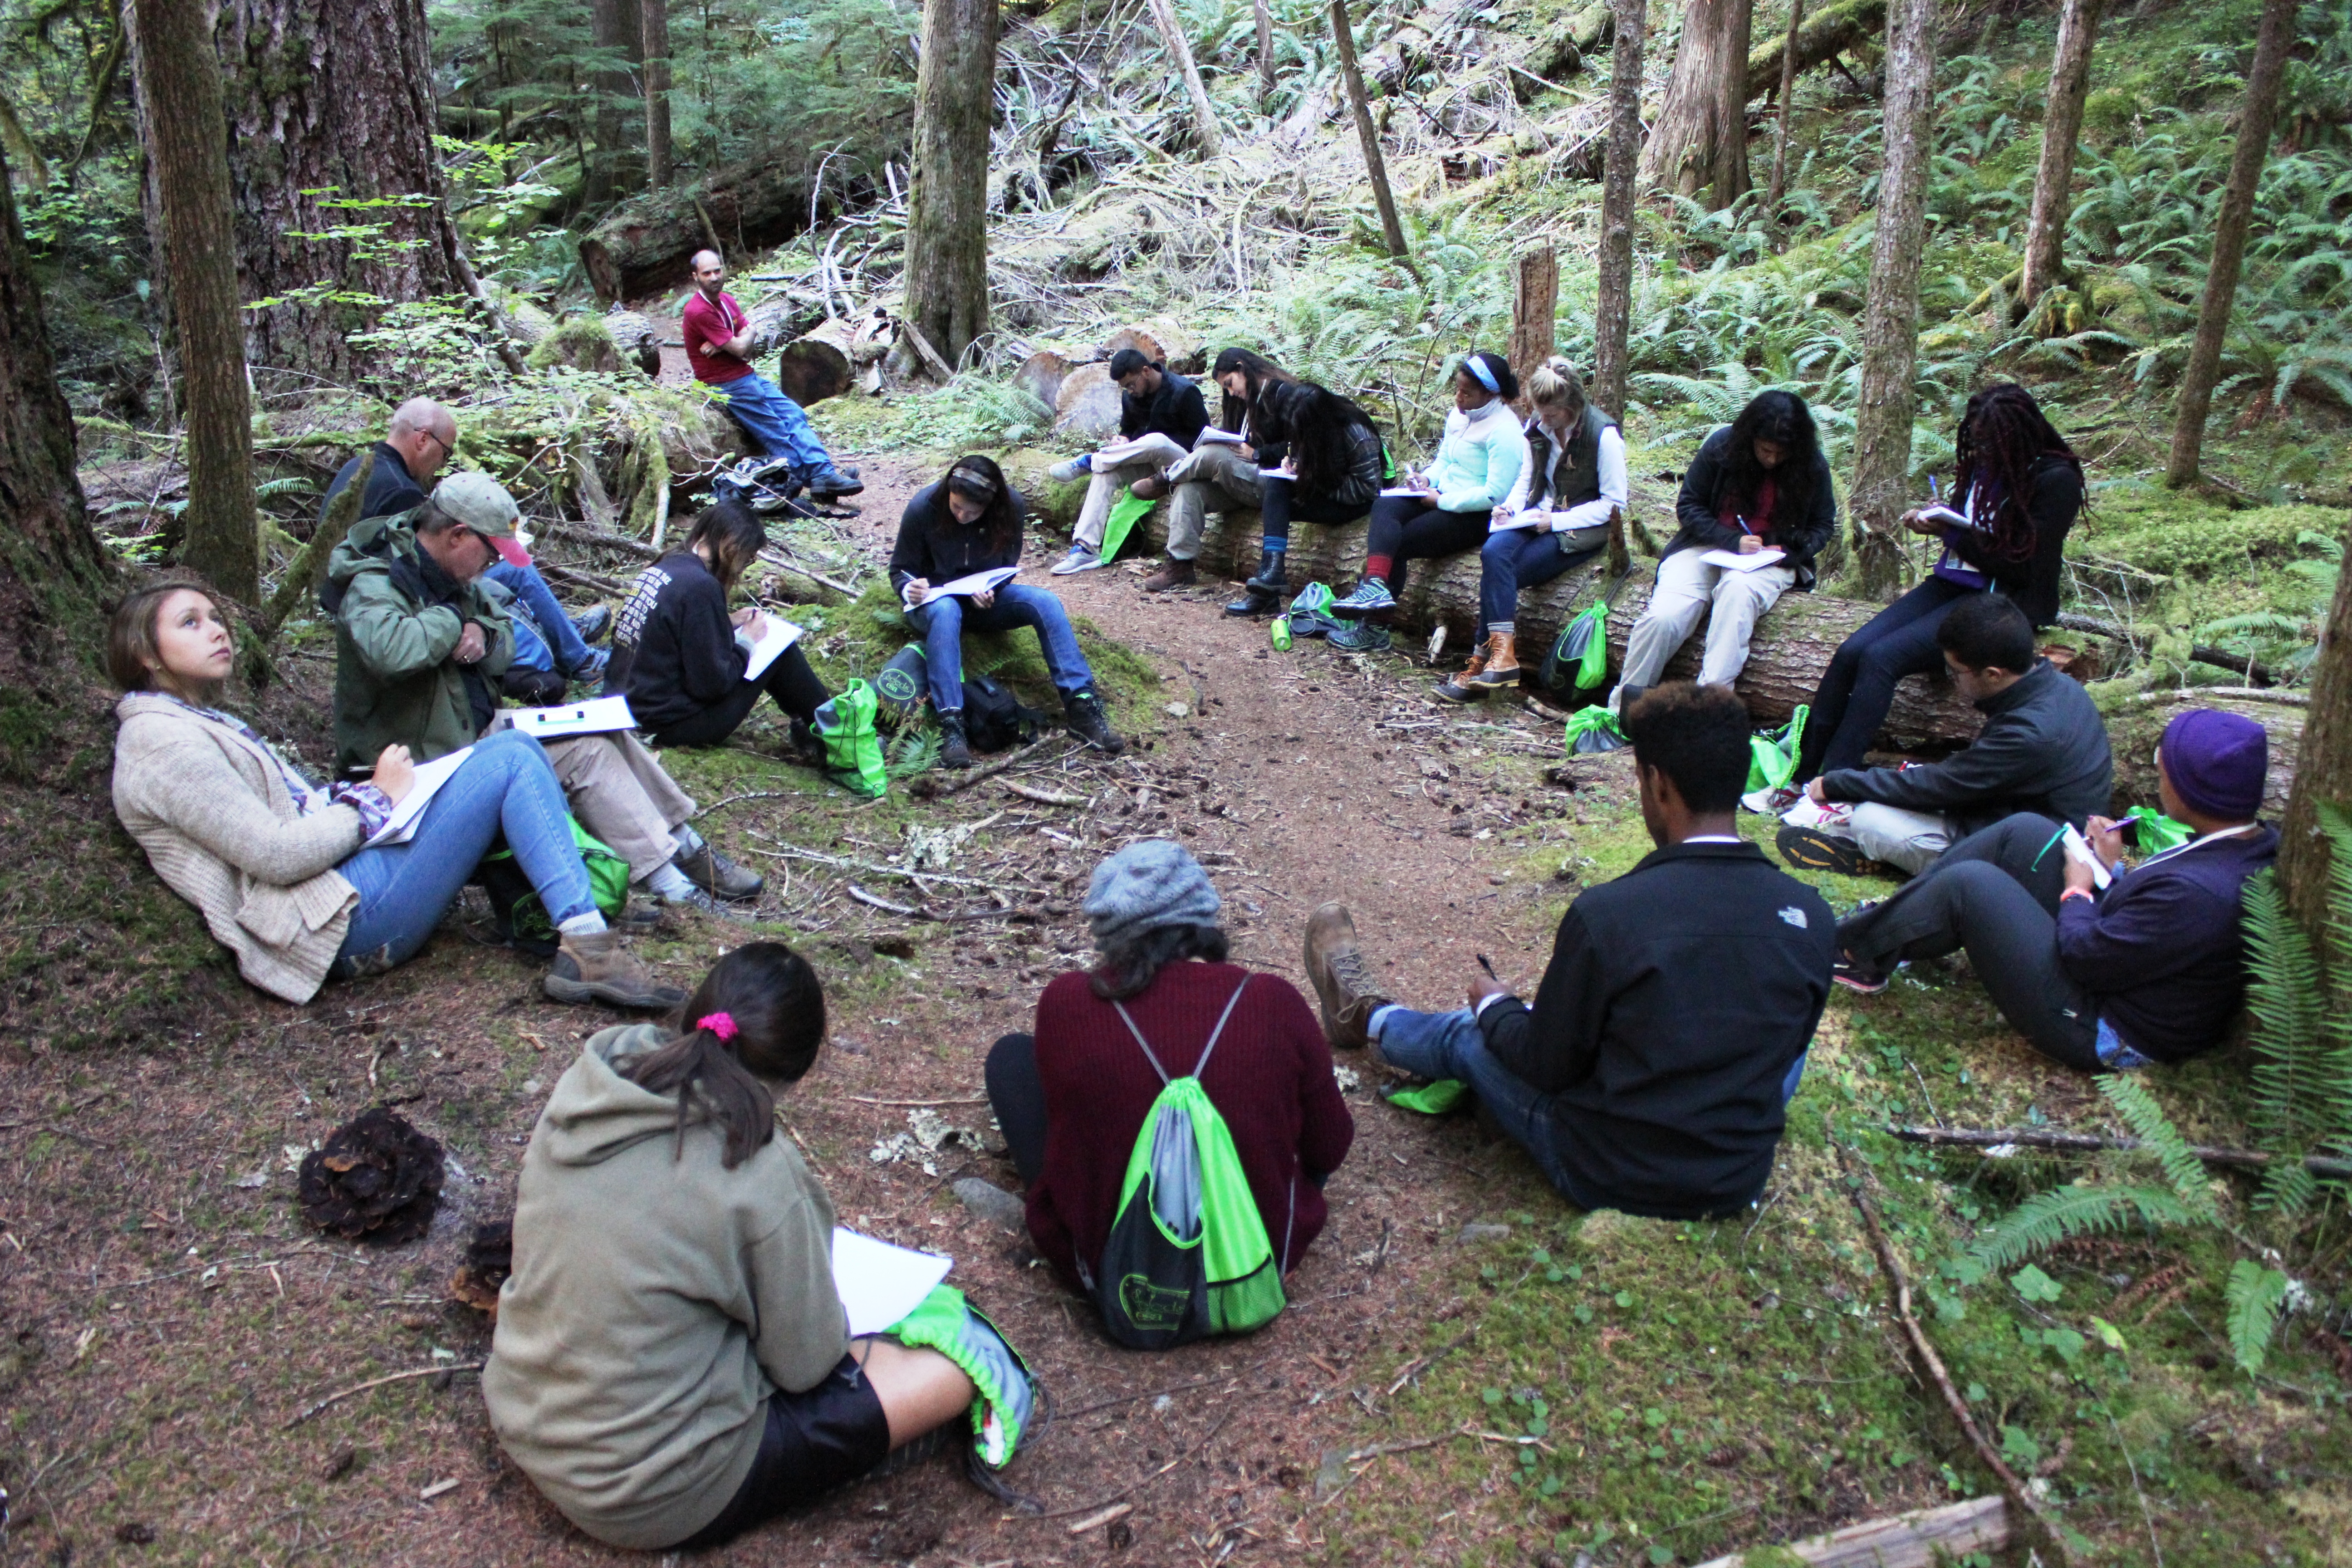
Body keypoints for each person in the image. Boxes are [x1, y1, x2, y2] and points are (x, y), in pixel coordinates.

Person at [486, 943, 1037, 1550]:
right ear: (800, 1066)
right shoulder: (755, 1172)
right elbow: (807, 1366)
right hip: (644, 1493)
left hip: (524, 1412)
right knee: (961, 1363)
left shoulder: (592, 1086)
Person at [1305, 683, 1834, 1218]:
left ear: (1657, 782)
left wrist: (1495, 1005)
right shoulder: (1811, 916)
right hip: (1732, 1181)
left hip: (1606, 1171)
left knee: (1474, 1034)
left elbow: (1546, 1067)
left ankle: (1366, 1016)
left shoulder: (1610, 915)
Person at [108, 583, 676, 1009]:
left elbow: (288, 813)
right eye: (190, 623)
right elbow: (275, 855)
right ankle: (587, 945)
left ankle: (576, 931)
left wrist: (369, 796)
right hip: (326, 924)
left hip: (336, 890)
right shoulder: (160, 742)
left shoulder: (191, 721)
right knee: (511, 761)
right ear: (147, 655)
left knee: (510, 752)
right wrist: (375, 800)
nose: (217, 630)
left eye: (214, 617)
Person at [326, 472, 760, 914]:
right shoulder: (375, 583)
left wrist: (483, 634)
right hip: (413, 765)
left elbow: (502, 640)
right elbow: (393, 652)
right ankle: (671, 884)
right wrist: (456, 622)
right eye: (491, 553)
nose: (492, 565)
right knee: (584, 755)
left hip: (468, 734)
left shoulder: (451, 576)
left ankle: (684, 849)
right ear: (458, 536)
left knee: (600, 737)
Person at [982, 841, 1354, 1311]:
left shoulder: (1066, 1004)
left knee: (1013, 1060)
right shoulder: (1272, 1001)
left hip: (1112, 1277)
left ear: (1108, 931)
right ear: (1204, 919)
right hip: (1257, 1262)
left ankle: (1100, 1244)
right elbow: (1331, 1144)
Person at [1832, 710, 2276, 1072]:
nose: (2158, 772)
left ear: (2189, 790)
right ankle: (1889, 927)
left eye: (2166, 768)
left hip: (2101, 1024)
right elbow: (2153, 931)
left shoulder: (2200, 892)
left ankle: (1848, 950)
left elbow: (2088, 960)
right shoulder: (2246, 842)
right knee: (2026, 833)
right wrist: (2108, 867)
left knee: (1973, 886)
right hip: (2123, 967)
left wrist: (2079, 890)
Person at [1791, 383, 2085, 789]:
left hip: (2000, 602)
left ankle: (1832, 782)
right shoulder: (1986, 466)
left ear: (2019, 438)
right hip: (1953, 582)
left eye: (1991, 446)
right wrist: (1937, 520)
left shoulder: (2056, 481)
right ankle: (1801, 772)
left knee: (1881, 659)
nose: (1983, 454)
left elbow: (2022, 567)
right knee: (1851, 652)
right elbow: (1963, 519)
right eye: (1977, 444)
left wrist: (1953, 535)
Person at [1776, 594, 2113, 877]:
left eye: (1955, 671)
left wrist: (1840, 784)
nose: (1953, 679)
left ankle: (1900, 862)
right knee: (1885, 799)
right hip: (2005, 814)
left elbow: (1944, 787)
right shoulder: (2057, 688)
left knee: (1870, 821)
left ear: (1993, 674)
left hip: (2031, 861)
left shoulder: (2031, 734)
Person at [322, 397, 612, 691]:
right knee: (517, 572)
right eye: (445, 454)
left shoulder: (360, 466)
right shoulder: (400, 492)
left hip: (343, 594)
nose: (441, 464)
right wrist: (465, 618)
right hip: (380, 604)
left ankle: (563, 633)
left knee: (507, 577)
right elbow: (420, 576)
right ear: (423, 439)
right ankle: (579, 657)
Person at [889, 456, 1126, 768]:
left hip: (981, 602)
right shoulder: (924, 507)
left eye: (971, 512)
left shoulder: (1011, 506)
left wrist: (990, 592)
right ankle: (952, 723)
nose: (961, 516)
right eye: (956, 507)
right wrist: (910, 588)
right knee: (946, 610)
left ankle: (1081, 703)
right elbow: (900, 570)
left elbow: (1006, 566)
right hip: (934, 604)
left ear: (990, 505)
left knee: (1045, 602)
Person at [1611, 390, 1836, 706]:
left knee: (1737, 593)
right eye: (1765, 450)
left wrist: (1790, 552)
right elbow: (1689, 506)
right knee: (1664, 617)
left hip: (1771, 561)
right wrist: (1732, 540)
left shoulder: (1812, 466)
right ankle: (1625, 710)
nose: (1771, 459)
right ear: (1750, 438)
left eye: (1779, 454)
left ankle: (1708, 712)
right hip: (1706, 548)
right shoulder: (1722, 447)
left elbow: (1823, 525)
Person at [1437, 356, 1626, 701]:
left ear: (1572, 406)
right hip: (1537, 514)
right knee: (1494, 553)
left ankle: (1482, 663)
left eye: (1552, 415)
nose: (1545, 422)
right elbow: (1527, 478)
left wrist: (1555, 521)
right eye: (1540, 413)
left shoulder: (1604, 436)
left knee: (1502, 572)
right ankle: (1501, 657)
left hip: (1577, 528)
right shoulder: (1537, 426)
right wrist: (1511, 507)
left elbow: (1613, 505)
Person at [603, 500, 833, 755]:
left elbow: (671, 637)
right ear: (733, 546)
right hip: (666, 725)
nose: (744, 567)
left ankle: (809, 724)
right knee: (780, 651)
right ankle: (839, 734)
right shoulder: (702, 587)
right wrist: (747, 641)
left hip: (623, 710)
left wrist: (726, 623)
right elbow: (711, 685)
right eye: (747, 558)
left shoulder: (667, 565)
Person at [1326, 351, 1528, 637]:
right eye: (1457, 390)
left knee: (1401, 541)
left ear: (1490, 394)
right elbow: (1444, 460)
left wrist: (1441, 501)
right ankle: (1373, 587)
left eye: (1466, 393)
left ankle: (1374, 630)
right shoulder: (1459, 417)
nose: (1458, 398)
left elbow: (1496, 495)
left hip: (1475, 514)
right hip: (1439, 495)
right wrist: (1426, 478)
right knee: (1385, 504)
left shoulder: (1505, 432)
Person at [681, 249, 862, 500]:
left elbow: (746, 347)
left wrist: (742, 335)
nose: (714, 277)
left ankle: (823, 473)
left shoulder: (726, 301)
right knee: (775, 429)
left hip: (745, 375)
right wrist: (735, 340)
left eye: (717, 270)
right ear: (696, 277)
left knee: (793, 413)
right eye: (707, 273)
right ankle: (806, 479)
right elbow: (741, 348)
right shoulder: (698, 311)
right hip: (724, 383)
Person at [1224, 378, 1388, 617]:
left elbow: (1369, 489)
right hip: (1322, 487)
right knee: (1277, 484)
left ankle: (1268, 587)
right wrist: (1294, 465)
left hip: (1353, 504)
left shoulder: (1356, 433)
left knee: (1282, 501)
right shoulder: (1308, 426)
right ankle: (1272, 574)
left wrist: (1316, 482)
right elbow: (1310, 459)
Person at [1141, 348, 1296, 592]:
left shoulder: (1281, 393)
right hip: (1241, 481)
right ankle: (1180, 565)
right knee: (1189, 490)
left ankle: (1167, 476)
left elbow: (1298, 446)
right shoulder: (1239, 403)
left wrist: (1258, 453)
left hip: (1273, 485)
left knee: (1214, 456)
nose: (1231, 392)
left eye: (1230, 383)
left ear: (1242, 368)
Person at [1049, 347, 1210, 575]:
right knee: (1106, 473)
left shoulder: (1184, 392)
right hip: (1151, 467)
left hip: (1186, 465)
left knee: (1157, 441)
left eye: (1131, 385)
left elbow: (1204, 441)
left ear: (1146, 371)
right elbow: (1129, 430)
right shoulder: (1131, 397)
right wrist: (1123, 440)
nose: (1130, 391)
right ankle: (1085, 548)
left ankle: (1091, 460)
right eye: (1125, 388)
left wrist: (1149, 443)